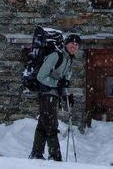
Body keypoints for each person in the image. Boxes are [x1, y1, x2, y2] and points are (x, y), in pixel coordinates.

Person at [29, 33, 81, 161]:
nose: (74, 46)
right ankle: (55, 156)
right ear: (66, 44)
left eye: (76, 45)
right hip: (47, 94)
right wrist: (57, 84)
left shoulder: (69, 60)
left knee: (43, 123)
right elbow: (40, 76)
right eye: (72, 43)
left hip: (54, 95)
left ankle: (36, 154)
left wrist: (67, 95)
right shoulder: (56, 56)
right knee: (51, 124)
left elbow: (64, 82)